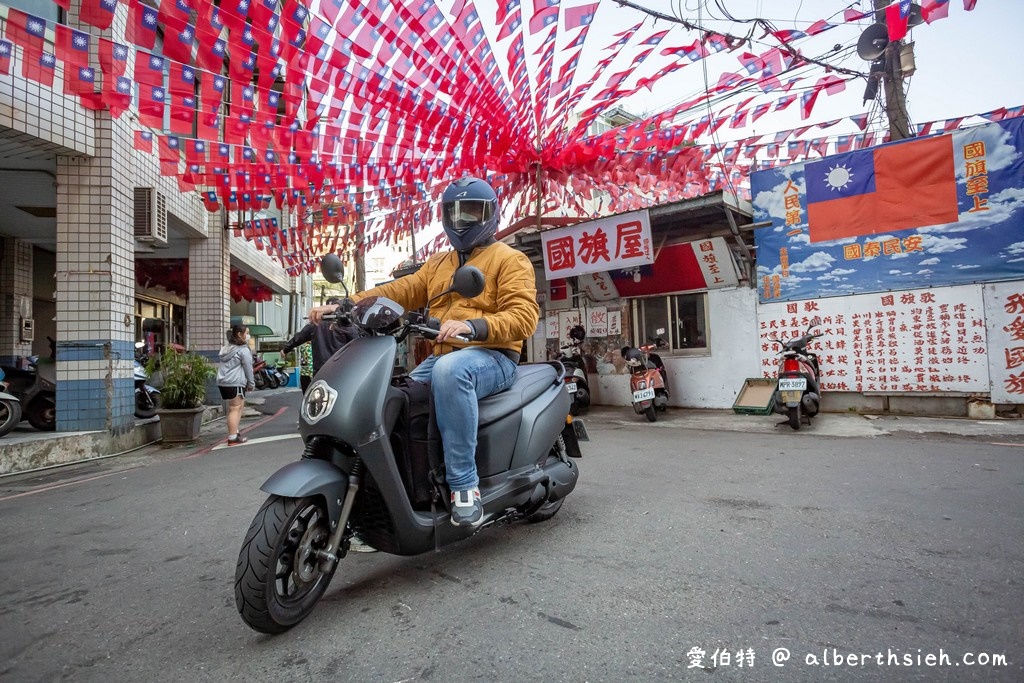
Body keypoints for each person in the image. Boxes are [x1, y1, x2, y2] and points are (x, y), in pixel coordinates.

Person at [309, 176, 539, 528]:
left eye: (471, 211)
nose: (462, 220)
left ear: (491, 213)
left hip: (492, 356)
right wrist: (347, 302)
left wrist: (474, 327)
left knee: (451, 372)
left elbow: (524, 316)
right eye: (454, 212)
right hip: (445, 357)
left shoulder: (510, 259)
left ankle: (464, 485)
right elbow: (401, 289)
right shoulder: (438, 264)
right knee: (395, 396)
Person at [282, 297, 362, 392]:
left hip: (320, 370)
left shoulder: (315, 324)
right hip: (342, 370)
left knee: (320, 398)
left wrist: (285, 349)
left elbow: (299, 337)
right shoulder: (346, 324)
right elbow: (359, 342)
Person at [217, 323, 255, 445]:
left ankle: (235, 432)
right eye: (247, 333)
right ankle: (233, 437)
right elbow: (248, 367)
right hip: (235, 382)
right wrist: (251, 383)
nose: (248, 336)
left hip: (223, 382)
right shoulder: (243, 350)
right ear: (240, 334)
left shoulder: (226, 348)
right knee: (235, 408)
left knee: (235, 407)